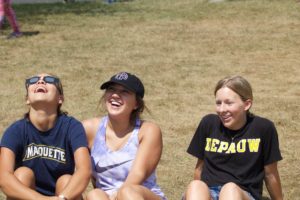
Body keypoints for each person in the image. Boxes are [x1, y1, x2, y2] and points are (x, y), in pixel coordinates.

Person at [184, 75, 283, 200]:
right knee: (195, 186)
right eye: (218, 103)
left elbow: (270, 174)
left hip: (243, 194)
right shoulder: (208, 123)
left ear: (246, 104)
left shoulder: (263, 128)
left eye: (229, 103)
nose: (222, 109)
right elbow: (199, 168)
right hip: (210, 192)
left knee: (230, 189)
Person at [0, 73, 91, 200]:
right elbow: (4, 177)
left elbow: (84, 171)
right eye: (34, 80)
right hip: (28, 197)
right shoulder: (16, 130)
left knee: (66, 180)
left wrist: (62, 198)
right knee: (22, 174)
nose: (40, 82)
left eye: (49, 80)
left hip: (63, 196)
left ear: (60, 98)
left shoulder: (72, 127)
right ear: (27, 99)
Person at [82, 72, 167, 200]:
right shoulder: (89, 129)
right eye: (111, 89)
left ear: (136, 104)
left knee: (127, 193)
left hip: (139, 195)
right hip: (106, 197)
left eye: (125, 92)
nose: (115, 95)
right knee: (95, 195)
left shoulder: (148, 131)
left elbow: (137, 176)